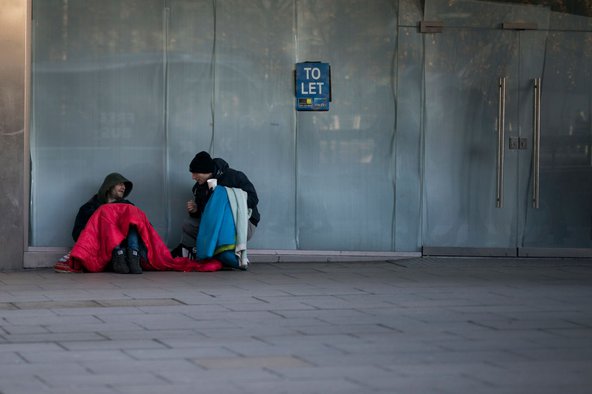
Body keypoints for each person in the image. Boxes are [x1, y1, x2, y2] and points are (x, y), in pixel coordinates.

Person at [174, 151, 260, 257]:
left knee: (221, 226)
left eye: (195, 173)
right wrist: (196, 210)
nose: (193, 177)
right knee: (188, 224)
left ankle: (223, 254)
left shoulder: (234, 176)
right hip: (216, 225)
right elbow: (206, 215)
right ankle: (191, 251)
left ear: (205, 171)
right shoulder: (199, 188)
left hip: (241, 223)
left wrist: (224, 199)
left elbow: (253, 199)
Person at [71, 172, 144, 274]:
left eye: (124, 185)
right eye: (120, 184)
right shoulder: (89, 207)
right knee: (106, 214)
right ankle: (118, 256)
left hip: (127, 249)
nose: (123, 187)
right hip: (102, 249)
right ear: (109, 186)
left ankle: (133, 256)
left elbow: (144, 228)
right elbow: (77, 233)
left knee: (132, 217)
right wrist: (97, 229)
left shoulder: (128, 206)